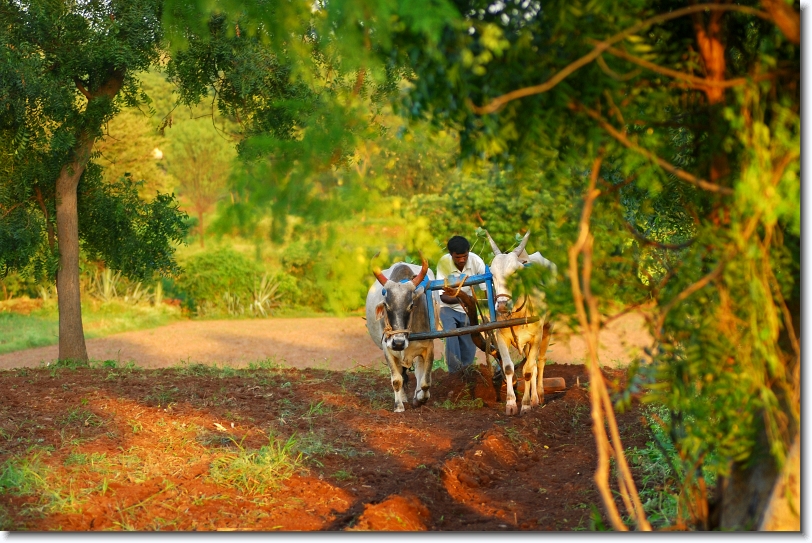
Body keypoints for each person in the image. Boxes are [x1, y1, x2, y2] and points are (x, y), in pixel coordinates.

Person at [435, 235, 486, 374]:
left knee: (469, 343)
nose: (462, 260)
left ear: (469, 252)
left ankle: (466, 372)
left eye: (465, 256)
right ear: (451, 254)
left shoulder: (476, 261)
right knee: (451, 335)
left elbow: (486, 289)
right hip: (448, 308)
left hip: (468, 309)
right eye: (458, 257)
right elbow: (443, 296)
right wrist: (464, 298)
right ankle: (454, 374)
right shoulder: (443, 263)